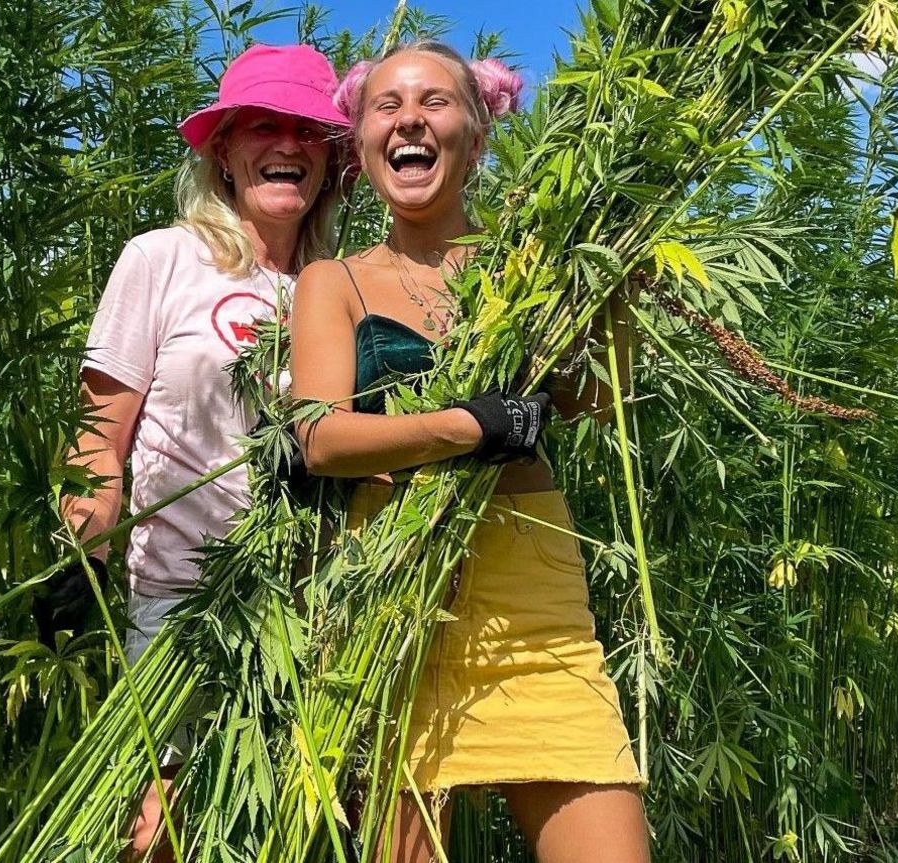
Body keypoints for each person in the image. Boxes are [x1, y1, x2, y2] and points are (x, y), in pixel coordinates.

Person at [290, 40, 651, 862]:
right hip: (393, 592)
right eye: (387, 105)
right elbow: (318, 436)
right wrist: (468, 425)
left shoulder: (535, 263)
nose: (409, 119)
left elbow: (594, 400)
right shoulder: (334, 282)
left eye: (435, 102)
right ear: (361, 139)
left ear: (478, 133)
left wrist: (613, 290)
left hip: (532, 597)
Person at [53, 43, 350, 861]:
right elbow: (98, 436)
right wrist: (83, 549)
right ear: (222, 148)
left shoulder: (340, 284)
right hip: (182, 603)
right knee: (164, 828)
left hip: (309, 605)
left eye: (308, 129)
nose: (287, 144)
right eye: (264, 124)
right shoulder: (162, 259)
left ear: (332, 157)